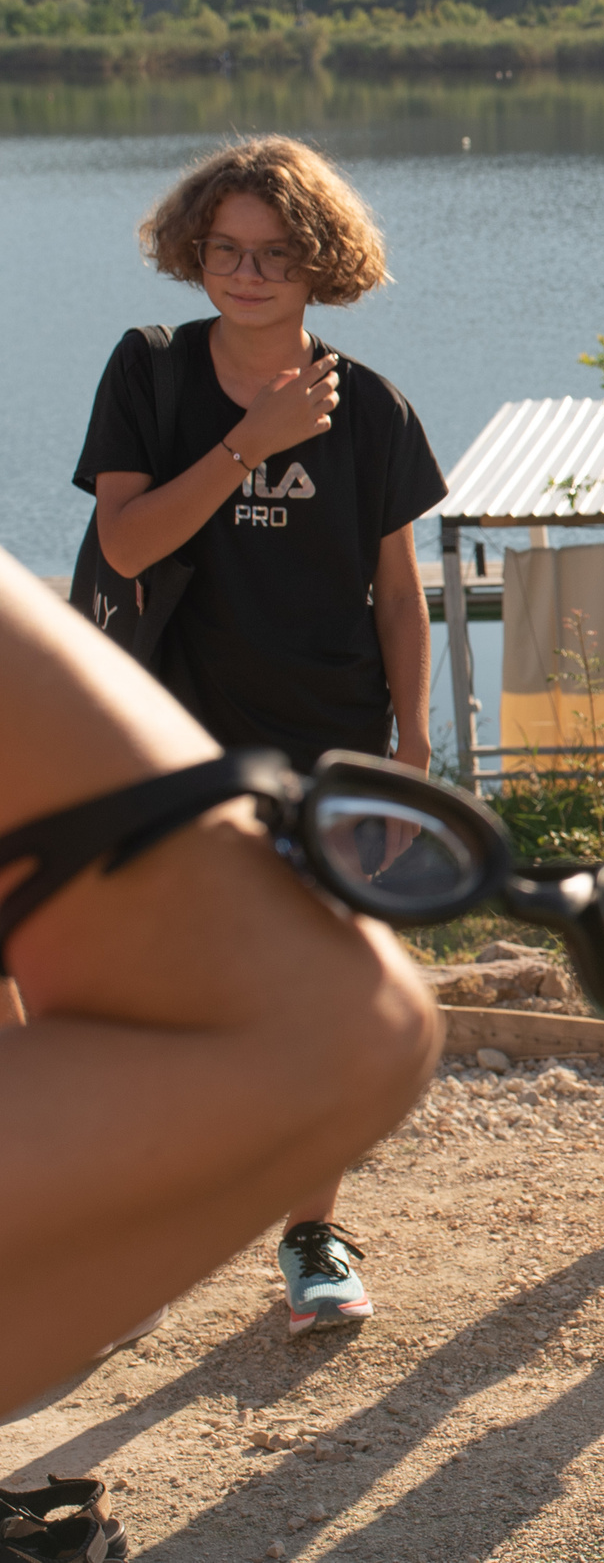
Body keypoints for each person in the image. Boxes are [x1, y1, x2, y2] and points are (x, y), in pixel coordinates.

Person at [74, 136, 448, 1336]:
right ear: (196, 251)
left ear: (319, 261)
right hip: (170, 742)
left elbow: (401, 593)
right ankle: (154, 1223)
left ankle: (310, 1232)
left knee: (323, 997)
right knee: (171, 996)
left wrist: (415, 746)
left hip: (331, 743)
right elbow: (129, 547)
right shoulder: (149, 372)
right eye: (227, 251)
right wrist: (250, 444)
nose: (246, 274)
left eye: (275, 255)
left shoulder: (374, 405)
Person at [0, 540, 438, 1419]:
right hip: (204, 731)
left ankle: (281, 1241)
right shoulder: (151, 397)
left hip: (303, 728)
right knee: (337, 1030)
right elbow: (331, 1032)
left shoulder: (370, 417)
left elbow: (397, 582)